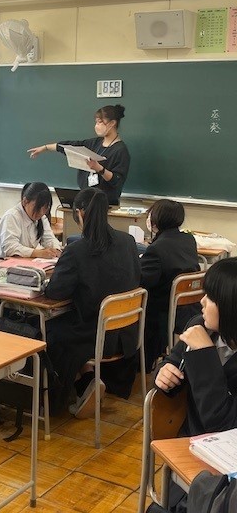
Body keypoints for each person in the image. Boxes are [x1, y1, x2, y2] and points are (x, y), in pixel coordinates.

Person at [45, 188, 140, 415]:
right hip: (127, 334)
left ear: (79, 213)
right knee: (69, 323)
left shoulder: (77, 250)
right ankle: (87, 379)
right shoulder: (128, 242)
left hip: (97, 337)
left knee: (49, 330)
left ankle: (66, 393)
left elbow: (55, 292)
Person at [154, 257, 237, 513]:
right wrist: (164, 373)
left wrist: (205, 355)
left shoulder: (203, 339)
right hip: (190, 445)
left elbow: (221, 424)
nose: (202, 301)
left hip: (225, 463)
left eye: (211, 298)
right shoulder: (199, 326)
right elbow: (174, 361)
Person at [27, 104, 129, 206]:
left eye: (100, 122)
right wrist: (45, 148)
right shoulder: (94, 143)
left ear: (112, 123)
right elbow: (70, 146)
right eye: (96, 122)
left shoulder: (120, 150)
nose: (97, 126)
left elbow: (117, 181)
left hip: (105, 204)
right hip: (85, 200)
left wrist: (99, 168)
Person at [141, 199, 199, 371]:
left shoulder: (157, 249)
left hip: (163, 311)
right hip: (189, 307)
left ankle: (143, 363)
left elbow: (143, 280)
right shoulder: (188, 239)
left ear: (156, 219)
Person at [0, 182, 62, 259]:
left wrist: (56, 249)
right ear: (25, 202)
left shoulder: (42, 217)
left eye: (45, 208)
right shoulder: (12, 216)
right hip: (4, 261)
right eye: (37, 208)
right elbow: (10, 248)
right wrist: (38, 253)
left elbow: (49, 239)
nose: (41, 212)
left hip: (26, 260)